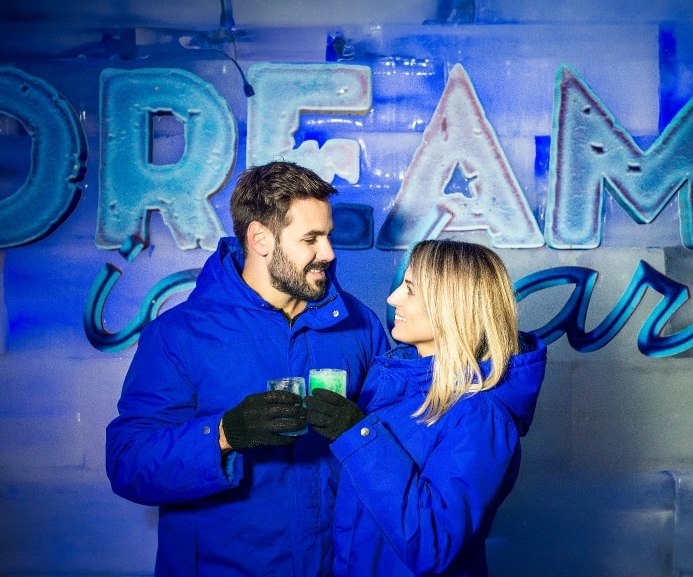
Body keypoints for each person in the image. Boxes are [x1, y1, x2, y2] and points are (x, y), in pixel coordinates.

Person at [106, 161, 389, 576]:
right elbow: (128, 464)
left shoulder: (358, 324)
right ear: (259, 238)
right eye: (311, 239)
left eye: (328, 236)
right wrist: (224, 435)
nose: (328, 253)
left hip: (335, 566)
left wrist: (362, 428)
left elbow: (396, 448)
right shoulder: (179, 335)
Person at [305, 239, 547, 576]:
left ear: (452, 307)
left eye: (410, 289)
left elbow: (431, 543)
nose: (392, 299)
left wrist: (357, 435)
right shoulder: (398, 386)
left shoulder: (481, 415)